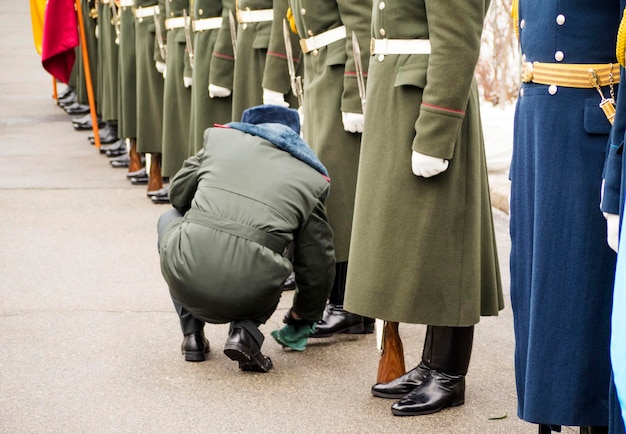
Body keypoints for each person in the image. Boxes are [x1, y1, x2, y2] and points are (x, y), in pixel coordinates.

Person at [343, 0, 503, 417]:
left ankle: (449, 373)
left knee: (446, 234)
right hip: (398, 96)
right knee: (425, 237)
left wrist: (436, 130)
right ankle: (432, 363)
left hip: (427, 103)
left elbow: (458, 39)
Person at [509, 2, 621, 433]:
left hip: (588, 130)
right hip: (536, 122)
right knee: (535, 283)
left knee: (583, 292)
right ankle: (544, 410)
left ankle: (592, 417)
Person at [157, 105, 335, 372]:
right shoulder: (310, 178)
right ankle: (244, 333)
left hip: (188, 275)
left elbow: (178, 196)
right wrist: (303, 316)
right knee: (279, 245)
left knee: (169, 219)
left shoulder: (220, 141)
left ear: (246, 127)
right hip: (254, 289)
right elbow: (318, 263)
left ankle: (192, 334)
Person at [287, 0, 373, 338]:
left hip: (340, 76)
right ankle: (342, 302)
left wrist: (356, 94)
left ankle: (348, 306)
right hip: (320, 69)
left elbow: (362, 21)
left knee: (339, 192)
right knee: (328, 189)